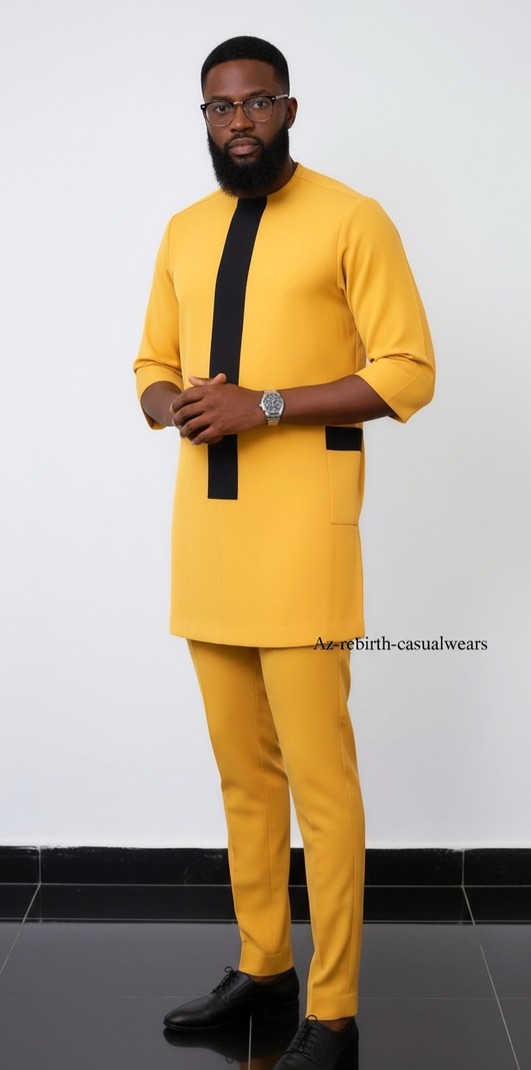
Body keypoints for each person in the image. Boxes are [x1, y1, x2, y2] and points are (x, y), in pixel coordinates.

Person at [133, 34, 435, 1070]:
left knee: (321, 782)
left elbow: (407, 370)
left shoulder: (352, 218)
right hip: (208, 537)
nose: (240, 122)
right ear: (205, 118)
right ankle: (263, 963)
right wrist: (174, 403)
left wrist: (262, 405)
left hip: (305, 538)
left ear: (290, 109)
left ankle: (334, 1006)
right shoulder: (182, 231)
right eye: (221, 107)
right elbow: (149, 365)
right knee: (243, 775)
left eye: (257, 102)